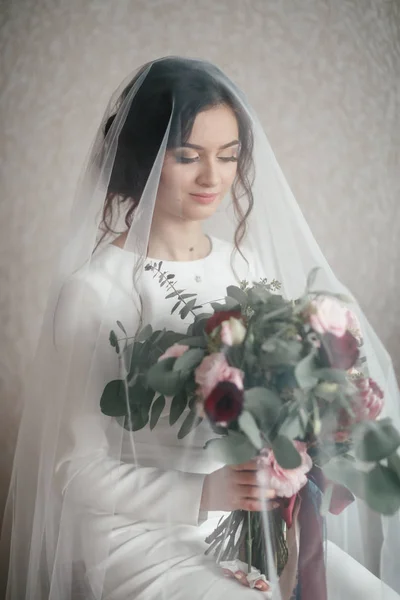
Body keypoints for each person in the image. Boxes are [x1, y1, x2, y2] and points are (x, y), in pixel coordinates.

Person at [2, 56, 400, 600]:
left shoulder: (244, 268)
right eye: (188, 157)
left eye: (229, 156)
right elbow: (74, 471)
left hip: (248, 522)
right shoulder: (94, 291)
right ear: (143, 159)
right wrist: (202, 491)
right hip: (138, 533)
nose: (213, 177)